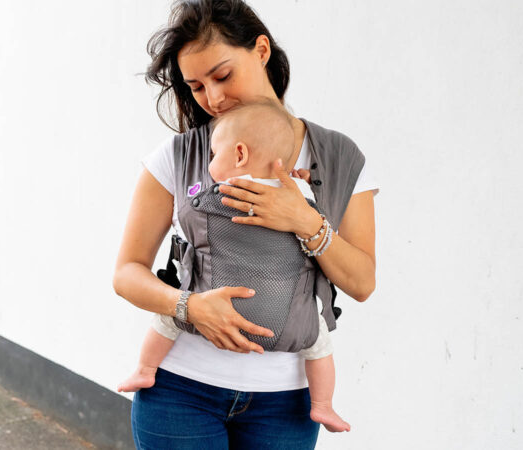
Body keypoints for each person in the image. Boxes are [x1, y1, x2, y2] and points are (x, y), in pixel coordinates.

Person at [112, 1, 378, 447]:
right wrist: (189, 307)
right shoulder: (180, 156)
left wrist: (305, 221)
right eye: (196, 86)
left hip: (286, 403)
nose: (212, 99)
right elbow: (126, 273)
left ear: (260, 50)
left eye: (221, 75)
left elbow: (363, 283)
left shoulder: (340, 157)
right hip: (181, 390)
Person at [117, 100, 350, 433]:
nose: (209, 162)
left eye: (214, 155)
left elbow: (190, 231)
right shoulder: (301, 195)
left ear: (239, 155)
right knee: (319, 345)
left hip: (260, 389)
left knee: (168, 320)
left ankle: (144, 368)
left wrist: (187, 305)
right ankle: (324, 405)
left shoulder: (215, 194)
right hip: (285, 326)